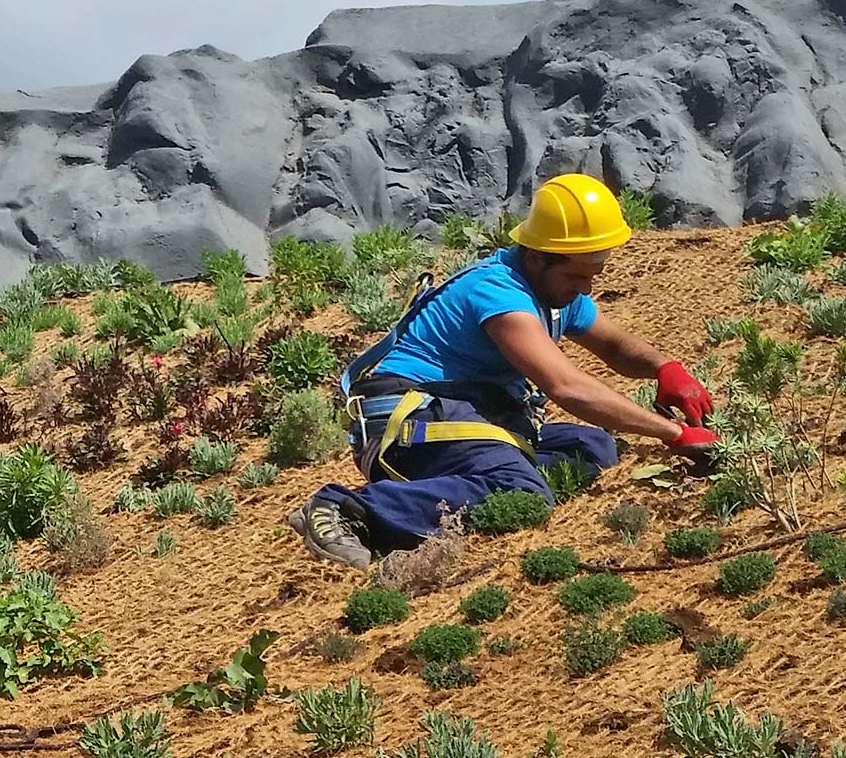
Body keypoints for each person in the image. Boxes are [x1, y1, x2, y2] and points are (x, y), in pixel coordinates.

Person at [287, 173, 718, 569]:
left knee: (595, 446)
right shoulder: (498, 293)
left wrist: (666, 368)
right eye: (577, 275)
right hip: (410, 419)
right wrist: (673, 433)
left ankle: (480, 483)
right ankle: (351, 508)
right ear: (535, 258)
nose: (586, 288)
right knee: (519, 491)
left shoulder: (554, 292)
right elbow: (566, 387)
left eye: (595, 274)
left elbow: (614, 346)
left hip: (465, 414)